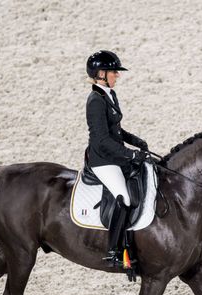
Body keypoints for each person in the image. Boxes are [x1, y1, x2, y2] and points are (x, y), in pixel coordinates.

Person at [84, 50, 150, 266]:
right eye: (113, 72)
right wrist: (130, 154)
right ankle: (114, 250)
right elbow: (102, 140)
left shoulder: (109, 95)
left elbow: (116, 131)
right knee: (124, 196)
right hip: (103, 160)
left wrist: (135, 141)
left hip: (115, 154)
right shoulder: (95, 100)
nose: (117, 75)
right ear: (100, 73)